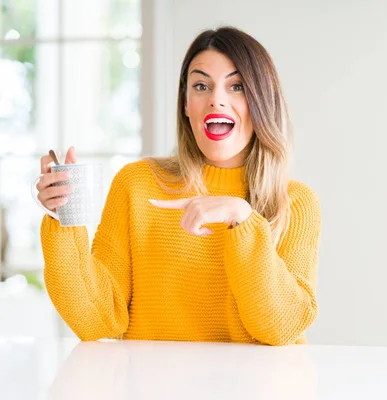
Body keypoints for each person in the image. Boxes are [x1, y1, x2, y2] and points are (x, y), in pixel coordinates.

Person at [35, 27, 321, 345]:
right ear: (186, 104)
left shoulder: (295, 202)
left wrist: (241, 218)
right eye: (201, 85)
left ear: (261, 102)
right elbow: (97, 320)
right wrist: (64, 217)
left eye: (237, 86)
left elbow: (281, 327)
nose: (217, 100)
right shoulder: (137, 184)